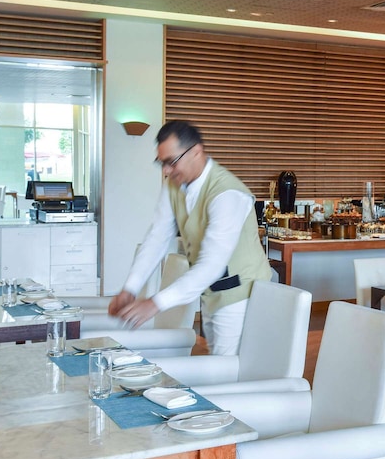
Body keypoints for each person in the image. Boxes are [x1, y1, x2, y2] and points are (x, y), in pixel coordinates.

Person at [108, 120, 273, 355]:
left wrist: (155, 303)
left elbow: (211, 265)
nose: (166, 170)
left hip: (242, 296)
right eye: (161, 163)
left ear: (196, 151)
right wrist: (130, 288)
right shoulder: (174, 185)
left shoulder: (227, 193)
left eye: (171, 162)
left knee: (226, 369)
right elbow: (157, 238)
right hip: (211, 294)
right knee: (217, 364)